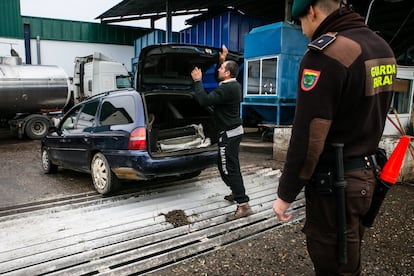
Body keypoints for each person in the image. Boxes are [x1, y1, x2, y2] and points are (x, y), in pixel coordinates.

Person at [273, 0, 396, 275]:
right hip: (366, 177)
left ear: (312, 11)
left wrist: (285, 194)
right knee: (349, 261)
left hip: (335, 186)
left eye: (301, 22)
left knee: (334, 266)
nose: (304, 32)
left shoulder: (326, 54)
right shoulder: (381, 47)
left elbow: (309, 136)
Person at [191, 45, 253, 221]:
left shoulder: (227, 89)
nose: (218, 69)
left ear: (227, 74)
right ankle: (237, 192)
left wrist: (197, 81)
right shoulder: (232, 85)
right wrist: (222, 59)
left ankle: (243, 205)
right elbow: (221, 77)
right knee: (223, 164)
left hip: (229, 134)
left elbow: (203, 100)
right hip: (233, 132)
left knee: (229, 168)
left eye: (221, 68)